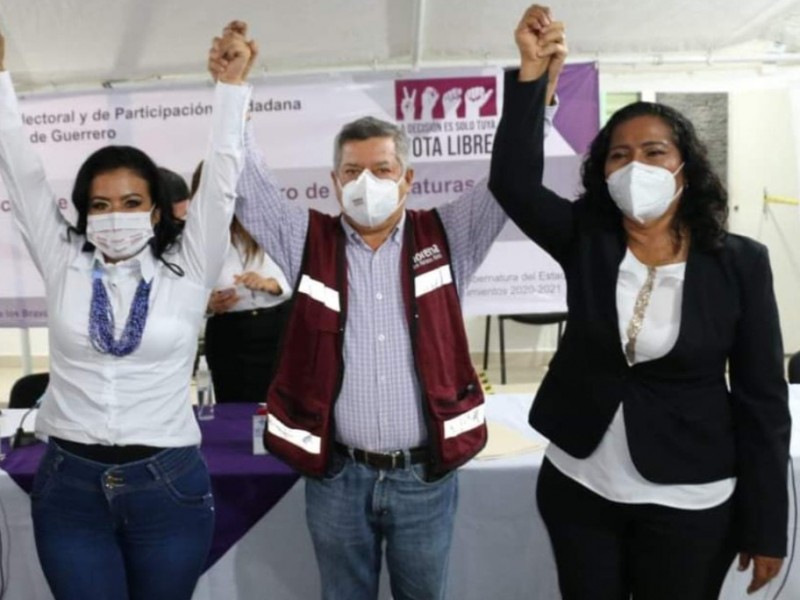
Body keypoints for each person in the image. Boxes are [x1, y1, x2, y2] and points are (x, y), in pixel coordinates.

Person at [209, 6, 565, 599]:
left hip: (423, 475)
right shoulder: (308, 239)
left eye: (381, 169)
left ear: (408, 178)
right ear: (333, 181)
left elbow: (512, 179)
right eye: (352, 171)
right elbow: (249, 185)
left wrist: (536, 92)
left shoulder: (449, 233)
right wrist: (232, 91)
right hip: (337, 475)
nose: (365, 182)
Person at [489, 7, 791, 600]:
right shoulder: (587, 239)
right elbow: (514, 184)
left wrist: (767, 524)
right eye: (618, 156)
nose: (636, 166)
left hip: (692, 498)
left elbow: (763, 401)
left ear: (685, 168)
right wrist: (530, 76)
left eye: (654, 152)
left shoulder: (741, 263)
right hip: (581, 487)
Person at [0, 23, 255, 600]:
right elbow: (22, 172)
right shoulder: (63, 260)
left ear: (159, 212)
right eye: (100, 204)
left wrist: (232, 86)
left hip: (167, 486)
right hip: (70, 488)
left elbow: (220, 184)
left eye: (132, 203)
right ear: (84, 213)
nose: (116, 215)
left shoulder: (188, 269)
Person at [194, 163, 292, 403]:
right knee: (235, 406)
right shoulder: (196, 237)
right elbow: (183, 292)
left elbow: (300, 275)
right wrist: (208, 304)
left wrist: (271, 284)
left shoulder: (271, 225)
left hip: (276, 328)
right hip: (229, 334)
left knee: (283, 405)